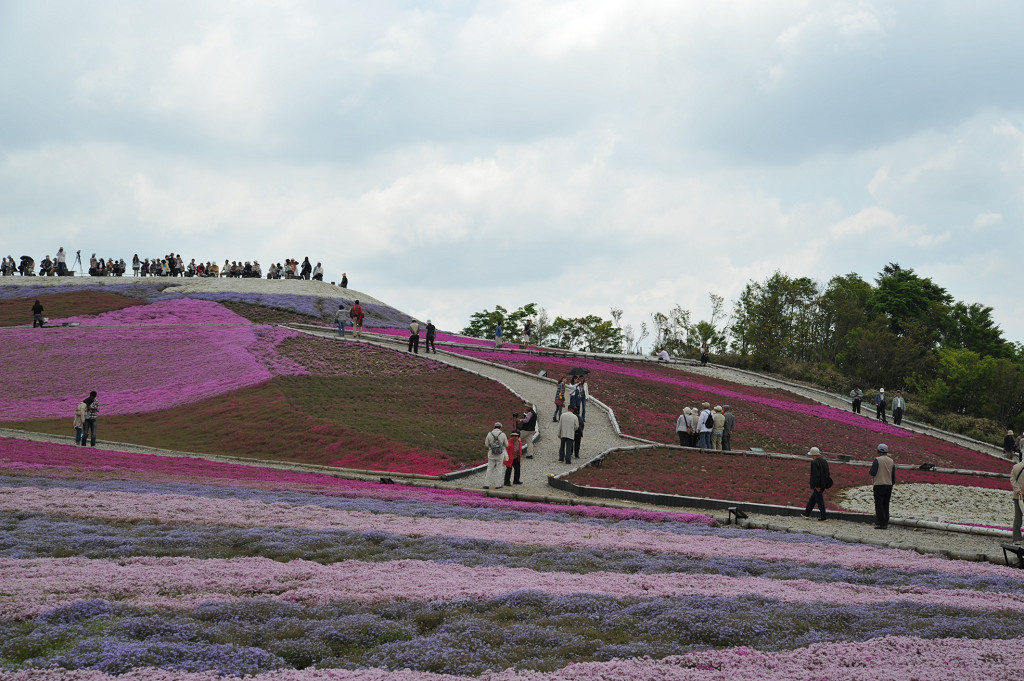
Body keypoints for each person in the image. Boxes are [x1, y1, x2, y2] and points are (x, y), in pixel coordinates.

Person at [869, 443, 895, 529]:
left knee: (879, 504)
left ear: (878, 451)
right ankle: (886, 521)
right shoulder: (891, 461)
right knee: (886, 504)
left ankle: (882, 523)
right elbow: (893, 476)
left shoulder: (877, 460)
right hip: (889, 485)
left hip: (879, 484)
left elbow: (872, 472)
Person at [801, 447, 831, 521]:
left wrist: (816, 485)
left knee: (820, 501)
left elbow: (815, 475)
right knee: (813, 499)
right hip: (824, 483)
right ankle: (806, 513)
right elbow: (827, 473)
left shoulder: (814, 462)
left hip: (818, 485)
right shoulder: (824, 461)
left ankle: (823, 517)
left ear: (813, 455)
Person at [483, 422, 508, 489]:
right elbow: (506, 444)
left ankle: (486, 484)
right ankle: (498, 485)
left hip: (491, 453)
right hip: (500, 454)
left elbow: (486, 444)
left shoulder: (489, 434)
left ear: (494, 427)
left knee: (489, 469)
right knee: (499, 469)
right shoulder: (503, 434)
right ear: (500, 427)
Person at [1011, 457, 1024, 544]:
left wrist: (1018, 490)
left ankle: (1016, 538)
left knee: (1018, 517)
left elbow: (1012, 480)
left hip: (1018, 496)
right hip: (1020, 496)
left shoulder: (1016, 467)